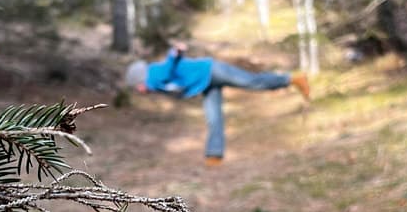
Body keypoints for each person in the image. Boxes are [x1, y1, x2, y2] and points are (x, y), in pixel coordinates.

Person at [125, 43, 310, 165]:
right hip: (206, 82)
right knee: (214, 118)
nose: (139, 91)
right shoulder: (153, 80)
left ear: (141, 81)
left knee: (251, 82)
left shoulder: (154, 76)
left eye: (137, 87)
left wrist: (176, 51)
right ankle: (214, 155)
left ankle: (292, 79)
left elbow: (169, 64)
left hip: (212, 70)